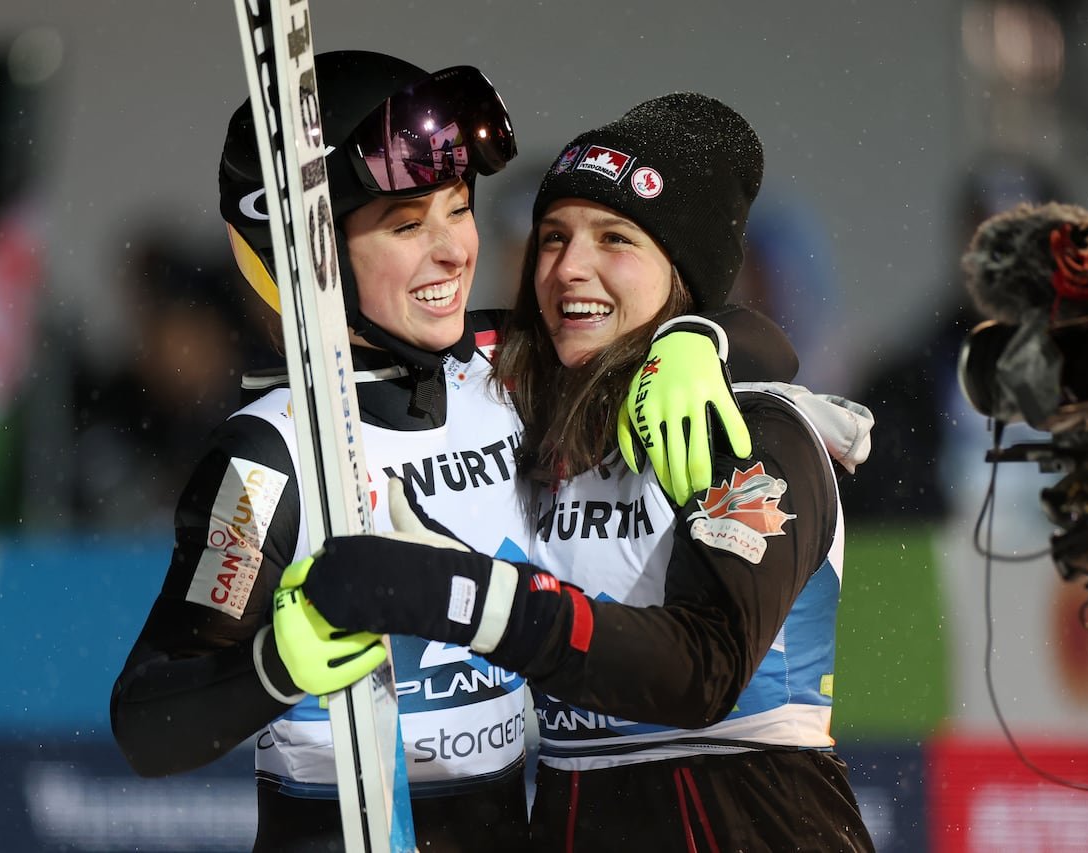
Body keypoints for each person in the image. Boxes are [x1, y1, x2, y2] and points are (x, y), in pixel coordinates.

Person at [110, 53, 746, 852]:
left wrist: (700, 337)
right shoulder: (268, 458)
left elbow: (676, 319)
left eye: (458, 209)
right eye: (408, 225)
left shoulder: (508, 369)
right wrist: (276, 668)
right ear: (309, 260)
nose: (453, 251)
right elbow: (147, 721)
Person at [294, 92, 877, 850]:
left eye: (615, 239)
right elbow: (388, 332)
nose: (571, 268)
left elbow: (705, 671)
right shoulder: (528, 407)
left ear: (683, 270)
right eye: (553, 238)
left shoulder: (753, 426)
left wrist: (469, 598)